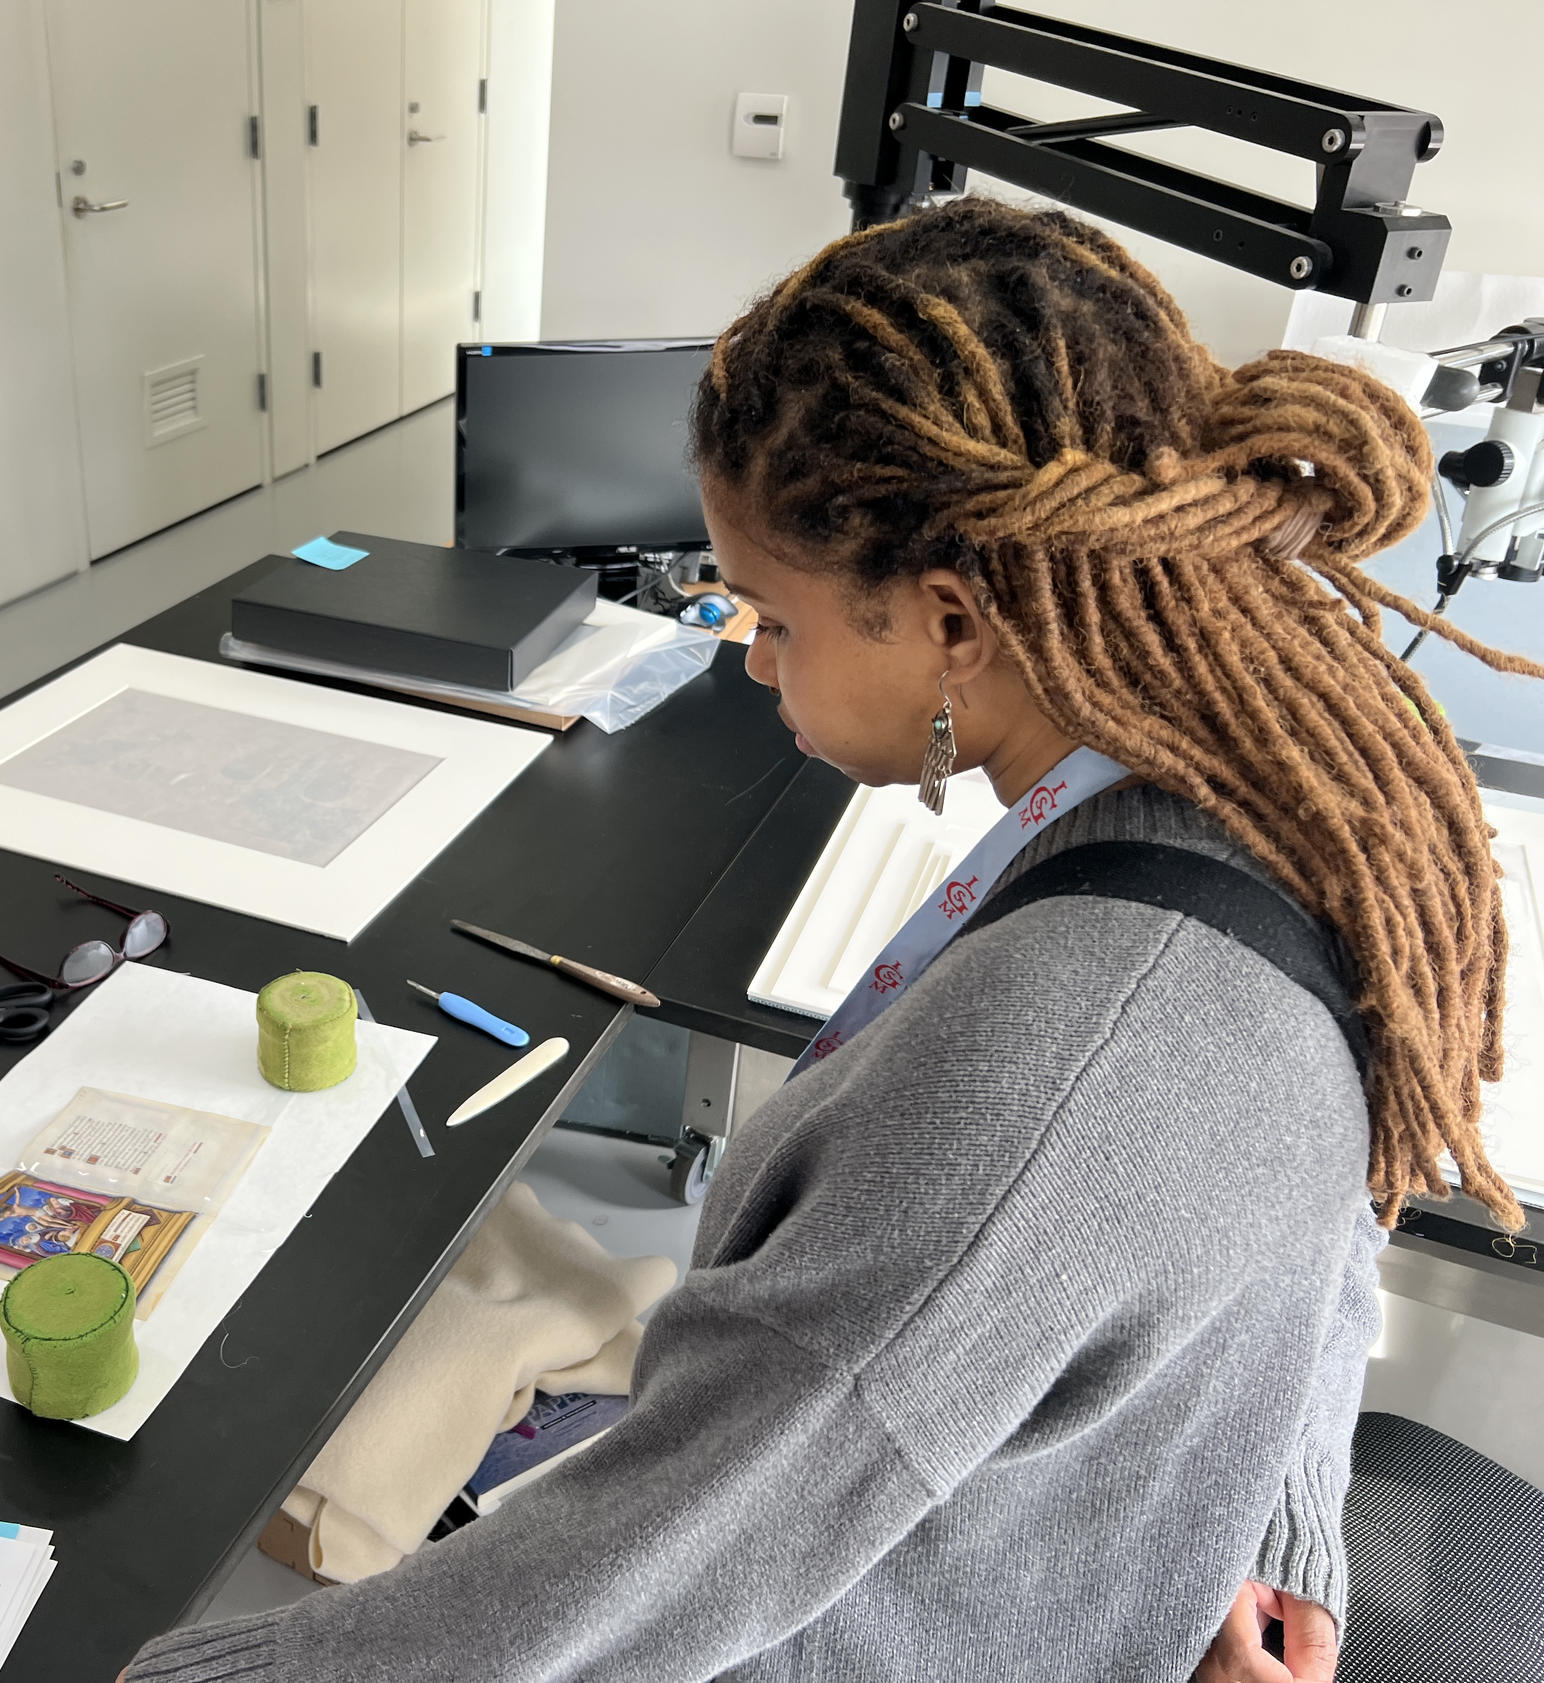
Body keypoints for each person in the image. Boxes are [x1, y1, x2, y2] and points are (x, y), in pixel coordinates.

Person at [121, 200, 1540, 1682]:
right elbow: (1328, 1238)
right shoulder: (1272, 801)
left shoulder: (1049, 1076)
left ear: (948, 620)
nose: (751, 651)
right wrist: (1282, 1542)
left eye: (770, 615)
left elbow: (631, 1576)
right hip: (1078, 1560)